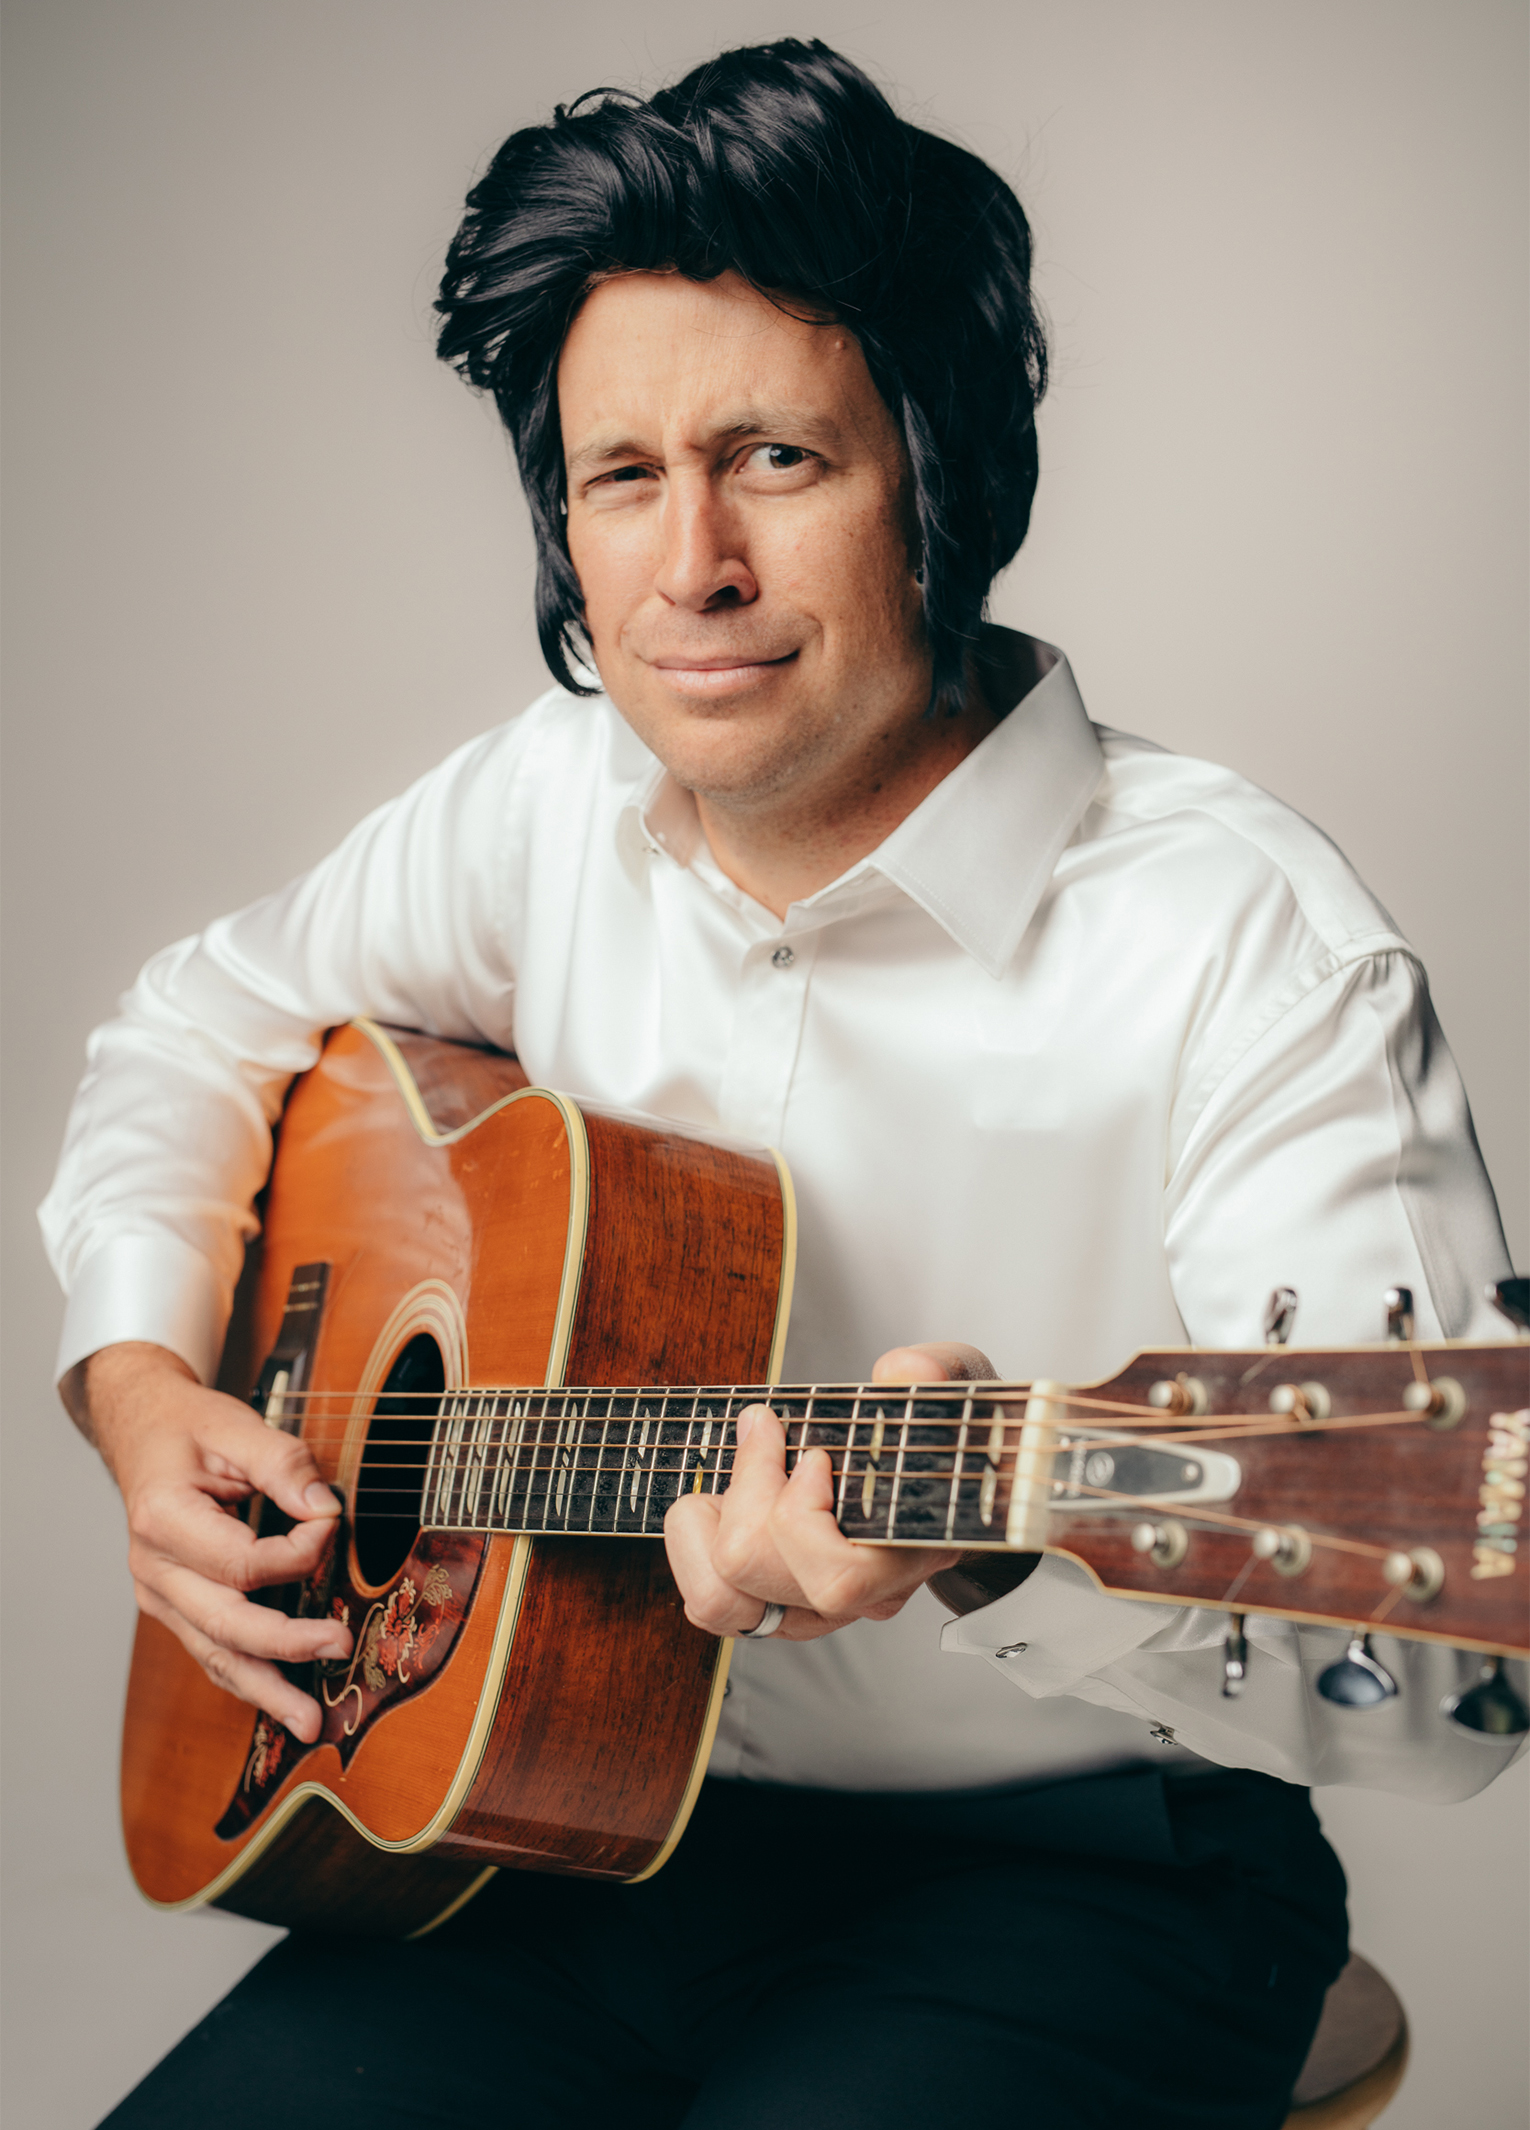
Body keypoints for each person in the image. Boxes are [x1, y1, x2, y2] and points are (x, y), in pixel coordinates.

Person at [40, 39, 1522, 2130]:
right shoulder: (543, 806)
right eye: (621, 478)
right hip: (561, 1842)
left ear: (942, 472)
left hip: (1087, 1882)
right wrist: (141, 1392)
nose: (692, 569)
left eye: (780, 464)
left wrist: (993, 1551)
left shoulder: (1249, 949)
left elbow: (1453, 1687)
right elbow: (192, 1027)